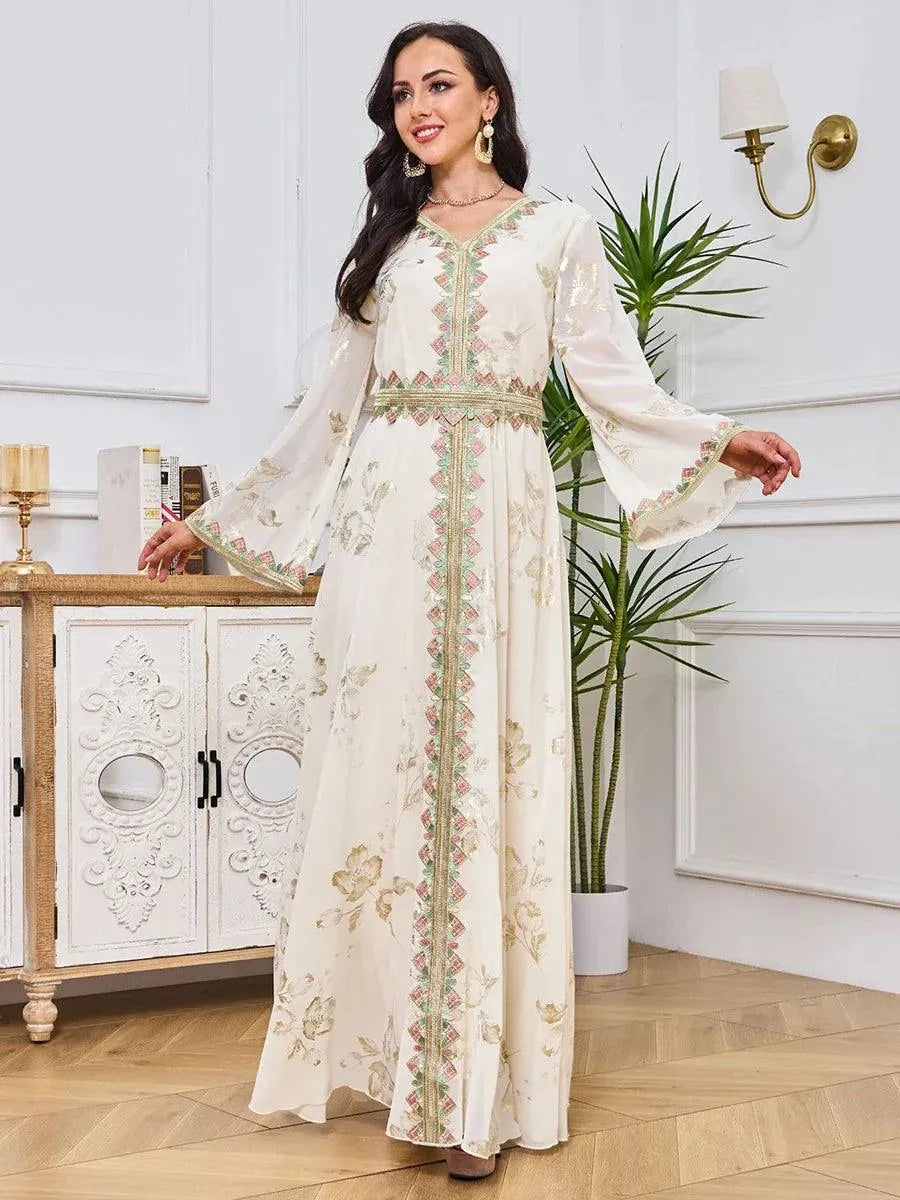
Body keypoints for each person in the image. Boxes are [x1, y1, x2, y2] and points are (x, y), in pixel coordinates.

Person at [137, 19, 801, 1182]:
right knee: (385, 773)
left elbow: (615, 382)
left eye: (439, 84)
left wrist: (717, 438)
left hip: (505, 515)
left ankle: (475, 1094)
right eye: (402, 93)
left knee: (491, 774)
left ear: (490, 97)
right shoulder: (386, 246)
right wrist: (212, 520)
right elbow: (329, 410)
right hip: (386, 521)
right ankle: (408, 1069)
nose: (419, 106)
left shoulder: (556, 234)